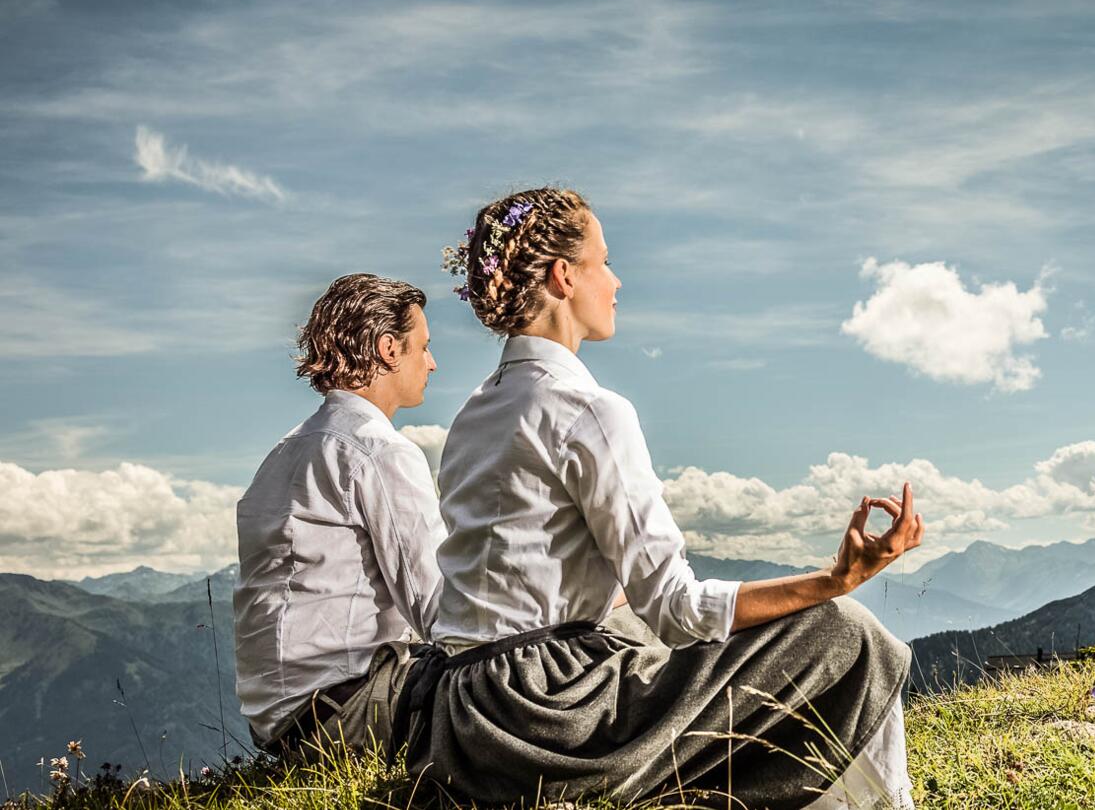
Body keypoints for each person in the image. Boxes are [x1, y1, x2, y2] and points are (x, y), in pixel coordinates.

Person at [400, 190, 923, 809]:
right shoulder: (589, 410)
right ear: (565, 277)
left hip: (462, 718)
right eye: (604, 261)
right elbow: (675, 607)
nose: (617, 280)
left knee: (632, 632)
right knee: (847, 633)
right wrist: (833, 581)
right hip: (546, 716)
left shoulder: (474, 413)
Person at [233, 273, 446, 757]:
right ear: (389, 348)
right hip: (349, 714)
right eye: (424, 347)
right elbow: (438, 608)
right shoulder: (377, 450)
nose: (432, 363)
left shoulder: (284, 452)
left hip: (281, 728)